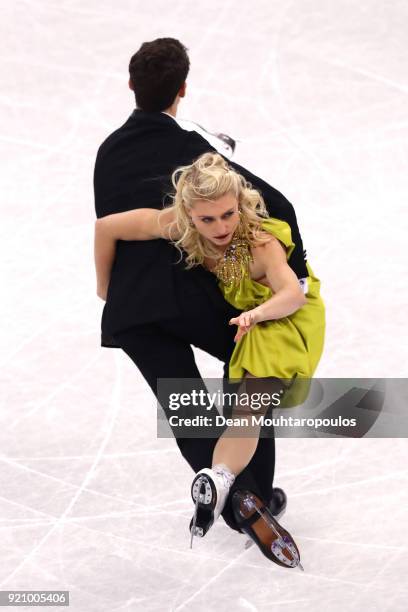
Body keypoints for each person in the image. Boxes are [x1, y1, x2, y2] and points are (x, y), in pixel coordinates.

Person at [93, 37, 309, 557]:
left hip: (133, 308)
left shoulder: (107, 151)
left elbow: (105, 225)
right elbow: (274, 201)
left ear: (130, 86)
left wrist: (108, 291)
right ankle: (257, 491)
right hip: (187, 295)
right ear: (183, 89)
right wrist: (293, 269)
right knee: (253, 369)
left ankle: (242, 502)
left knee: (185, 406)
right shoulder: (196, 153)